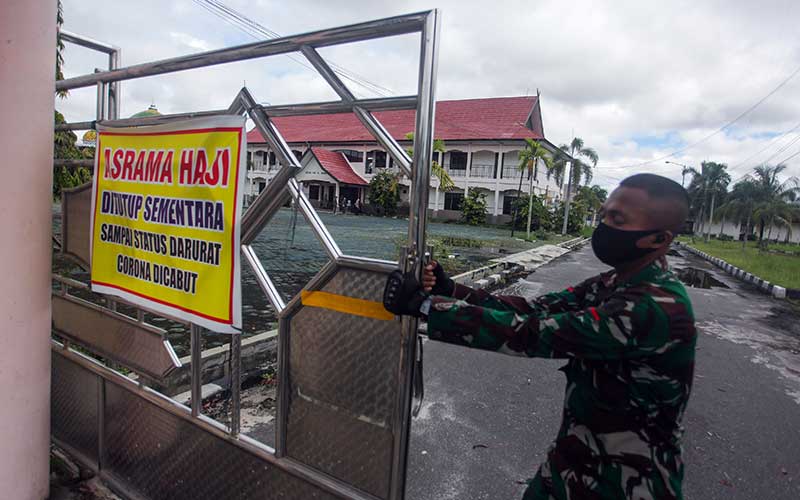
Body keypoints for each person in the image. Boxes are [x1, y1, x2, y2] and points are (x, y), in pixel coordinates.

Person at [383, 173, 696, 500]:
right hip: (574, 461)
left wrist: (427, 306)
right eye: (604, 214)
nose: (603, 225)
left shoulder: (656, 308)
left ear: (659, 239)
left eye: (617, 219)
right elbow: (535, 309)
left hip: (630, 482)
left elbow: (536, 335)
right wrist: (452, 290)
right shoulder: (612, 283)